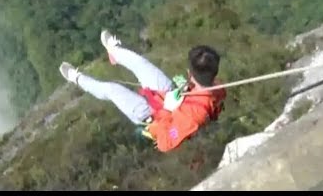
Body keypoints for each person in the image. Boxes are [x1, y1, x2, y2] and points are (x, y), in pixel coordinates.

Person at [59, 30, 227, 152]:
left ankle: (77, 79)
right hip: (170, 95)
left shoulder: (194, 116)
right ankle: (115, 52)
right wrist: (187, 87)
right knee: (141, 64)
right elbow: (205, 93)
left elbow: (164, 143)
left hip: (151, 116)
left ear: (190, 72)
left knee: (112, 90)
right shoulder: (216, 85)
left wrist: (168, 110)